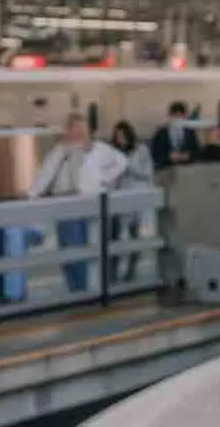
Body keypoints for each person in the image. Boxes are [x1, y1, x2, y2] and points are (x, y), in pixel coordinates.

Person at [30, 114, 125, 294]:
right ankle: (78, 290)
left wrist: (105, 179)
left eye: (82, 128)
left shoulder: (98, 148)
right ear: (68, 129)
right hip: (66, 204)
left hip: (92, 204)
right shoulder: (59, 150)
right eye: (75, 128)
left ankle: (91, 290)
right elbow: (45, 175)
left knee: (92, 249)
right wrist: (32, 195)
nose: (79, 132)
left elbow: (121, 161)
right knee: (70, 250)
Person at [106, 121, 156, 283]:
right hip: (117, 197)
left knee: (135, 235)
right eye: (117, 136)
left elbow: (148, 173)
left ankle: (131, 271)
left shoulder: (141, 150)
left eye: (122, 135)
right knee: (115, 236)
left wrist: (129, 167)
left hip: (136, 197)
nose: (120, 139)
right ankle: (112, 272)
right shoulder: (112, 152)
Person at [149, 101, 199, 170]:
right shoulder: (161, 133)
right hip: (166, 168)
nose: (177, 119)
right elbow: (155, 154)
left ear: (185, 117)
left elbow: (197, 151)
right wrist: (169, 156)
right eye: (175, 116)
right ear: (169, 116)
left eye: (180, 116)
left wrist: (188, 156)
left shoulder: (190, 132)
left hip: (187, 169)